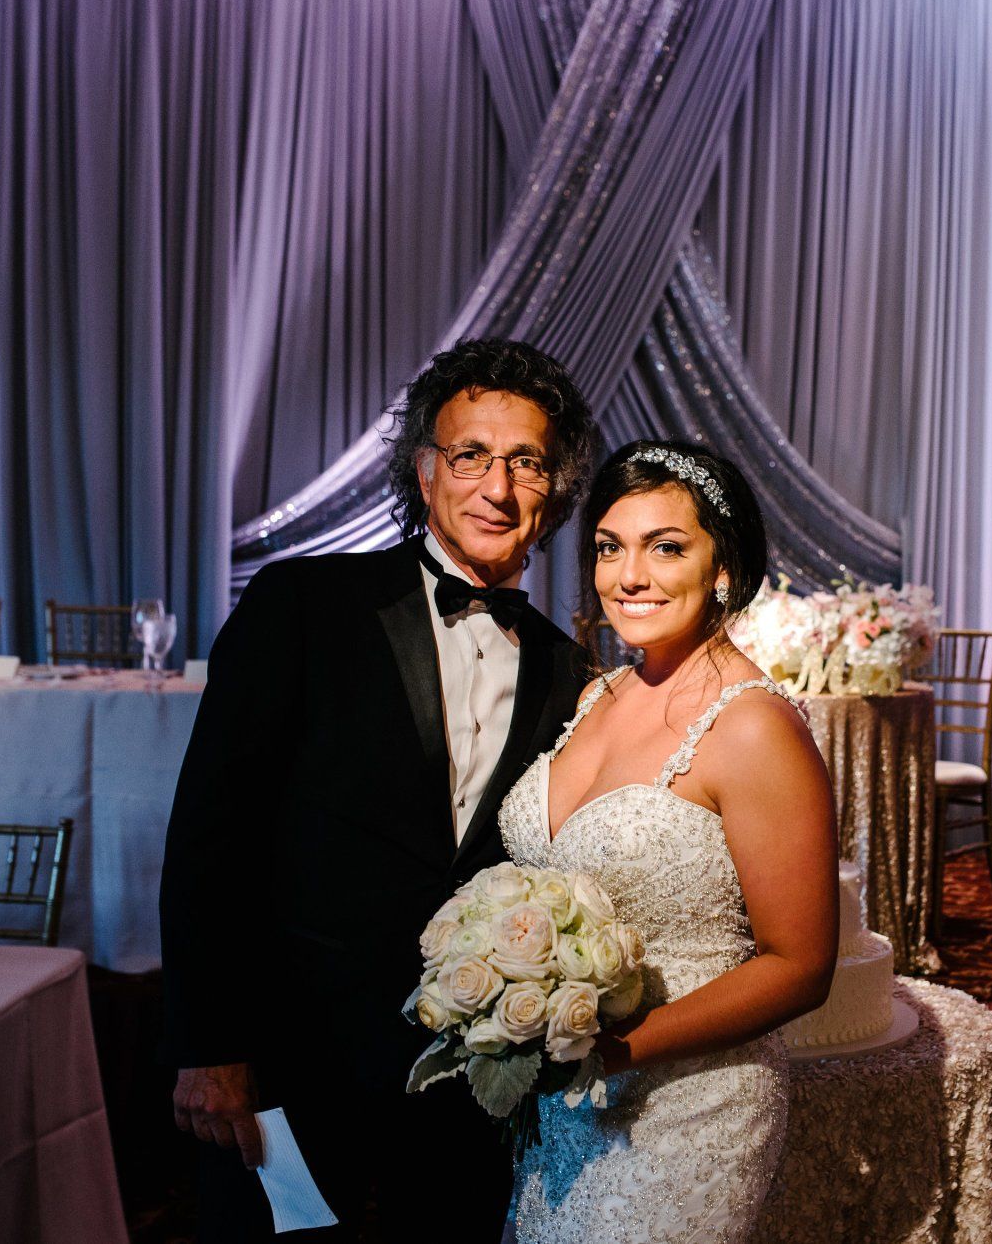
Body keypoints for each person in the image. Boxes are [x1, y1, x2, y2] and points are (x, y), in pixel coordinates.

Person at [160, 339, 597, 1240]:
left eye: (526, 462)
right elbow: (211, 833)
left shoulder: (565, 668)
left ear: (554, 490)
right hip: (287, 1060)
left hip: (463, 1078)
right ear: (426, 471)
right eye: (472, 455)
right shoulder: (304, 604)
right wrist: (209, 1048)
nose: (498, 487)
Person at [495, 440, 839, 1242]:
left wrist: (610, 1053)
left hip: (690, 1108)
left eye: (667, 547)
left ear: (724, 567)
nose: (630, 576)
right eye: (611, 548)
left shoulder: (753, 727)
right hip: (562, 1115)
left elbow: (800, 967)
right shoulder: (600, 692)